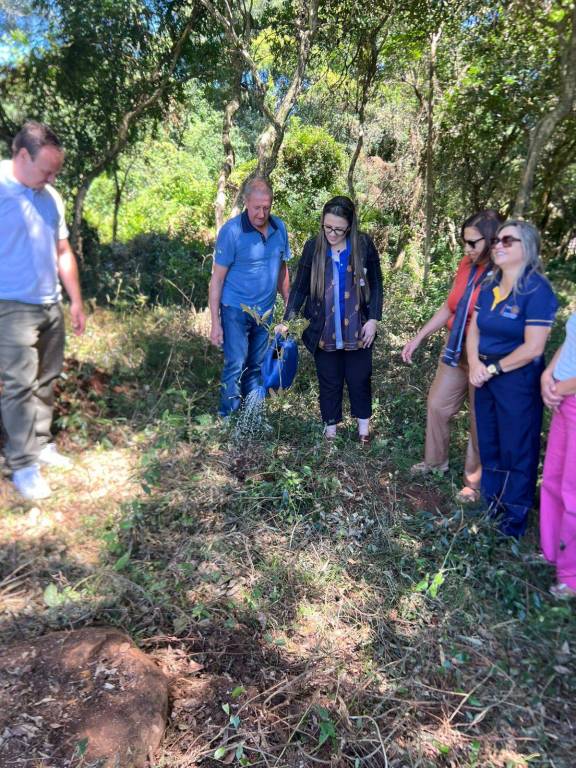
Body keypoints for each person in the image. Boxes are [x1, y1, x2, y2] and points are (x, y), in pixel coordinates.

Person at [0, 121, 86, 501]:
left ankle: (40, 443)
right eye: (46, 170)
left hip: (49, 303)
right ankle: (22, 465)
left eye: (55, 172)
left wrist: (75, 301)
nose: (52, 179)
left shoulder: (51, 197)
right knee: (19, 385)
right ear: (23, 155)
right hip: (10, 305)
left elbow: (63, 251)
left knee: (46, 378)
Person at [401, 210, 503, 502]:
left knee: (479, 418)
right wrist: (418, 337)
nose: (467, 248)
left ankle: (474, 484)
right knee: (437, 404)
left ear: (492, 239)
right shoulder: (465, 265)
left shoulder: (503, 273)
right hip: (455, 347)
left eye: (473, 243)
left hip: (484, 353)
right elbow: (450, 306)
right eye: (464, 242)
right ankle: (435, 463)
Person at [467, 220, 558, 538]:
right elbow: (474, 328)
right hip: (484, 375)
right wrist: (475, 363)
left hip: (517, 379)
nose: (498, 245)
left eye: (508, 240)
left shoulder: (537, 289)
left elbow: (533, 347)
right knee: (490, 441)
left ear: (527, 248)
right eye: (497, 240)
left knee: (517, 446)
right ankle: (492, 506)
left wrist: (492, 369)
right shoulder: (491, 282)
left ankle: (513, 518)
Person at [280, 196, 383, 443]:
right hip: (323, 329)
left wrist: (373, 319)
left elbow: (376, 283)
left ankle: (363, 432)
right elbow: (300, 288)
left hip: (358, 327)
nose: (332, 234)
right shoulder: (313, 247)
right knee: (329, 381)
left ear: (350, 226)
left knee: (359, 379)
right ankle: (330, 433)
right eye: (328, 227)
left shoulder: (363, 245)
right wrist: (287, 320)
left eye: (339, 229)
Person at [209, 177, 291, 416]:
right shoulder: (231, 231)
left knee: (257, 366)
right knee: (236, 364)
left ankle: (251, 418)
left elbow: (282, 269)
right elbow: (217, 280)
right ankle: (228, 417)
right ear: (245, 202)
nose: (261, 214)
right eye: (256, 207)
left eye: (267, 207)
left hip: (265, 312)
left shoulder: (279, 228)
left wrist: (289, 305)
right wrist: (215, 322)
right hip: (235, 310)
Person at [539, 312, 576, 597]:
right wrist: (548, 374)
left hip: (569, 393)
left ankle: (571, 576)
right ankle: (551, 551)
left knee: (573, 489)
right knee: (553, 479)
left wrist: (562, 387)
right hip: (563, 397)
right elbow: (570, 340)